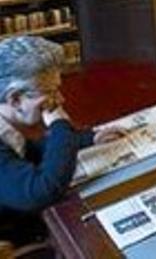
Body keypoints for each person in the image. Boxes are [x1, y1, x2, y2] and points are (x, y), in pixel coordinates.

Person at [0, 37, 120, 247]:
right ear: (15, 99)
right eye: (49, 92)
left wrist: (88, 139)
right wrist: (60, 126)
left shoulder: (6, 128)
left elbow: (26, 153)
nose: (60, 100)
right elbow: (40, 193)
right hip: (20, 238)